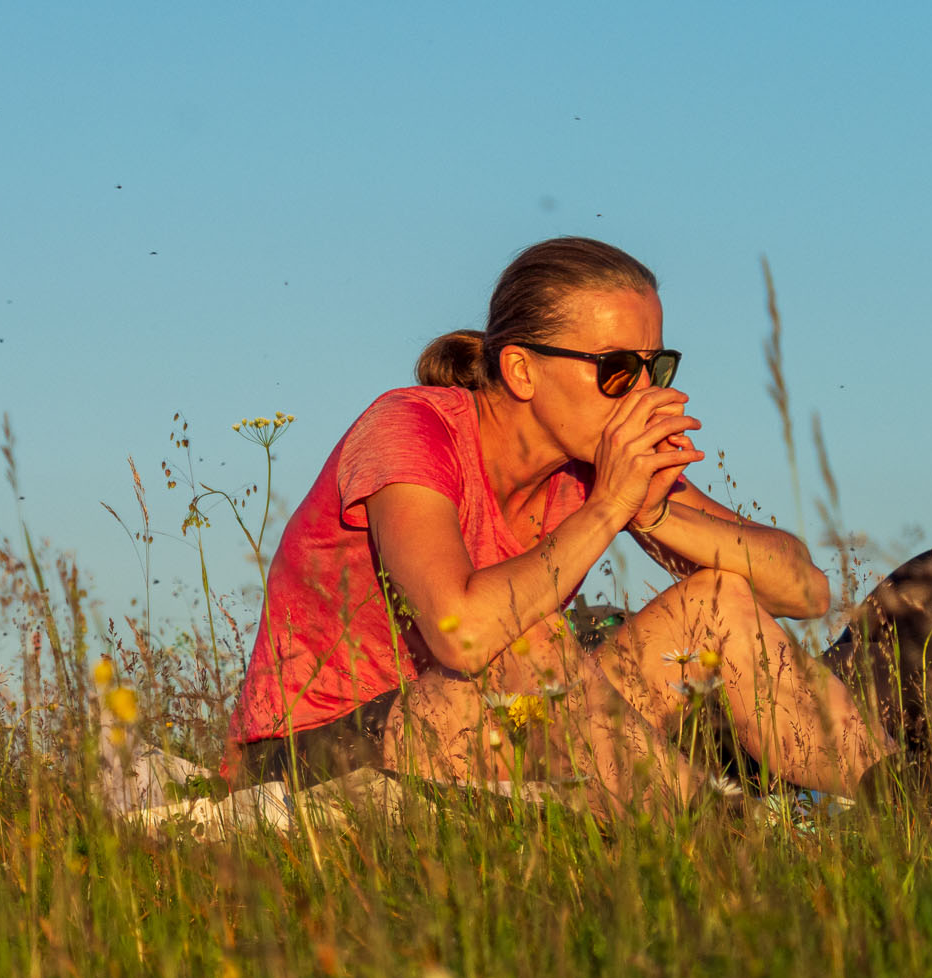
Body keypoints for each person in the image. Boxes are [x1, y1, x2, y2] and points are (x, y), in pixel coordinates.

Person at [227, 236, 889, 815]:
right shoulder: (410, 428)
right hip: (317, 748)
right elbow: (465, 635)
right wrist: (607, 508)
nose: (643, 395)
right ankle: (711, 835)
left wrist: (652, 510)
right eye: (617, 370)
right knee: (527, 636)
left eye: (655, 369)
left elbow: (805, 591)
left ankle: (912, 801)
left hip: (489, 721)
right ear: (520, 370)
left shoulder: (593, 458)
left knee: (718, 601)